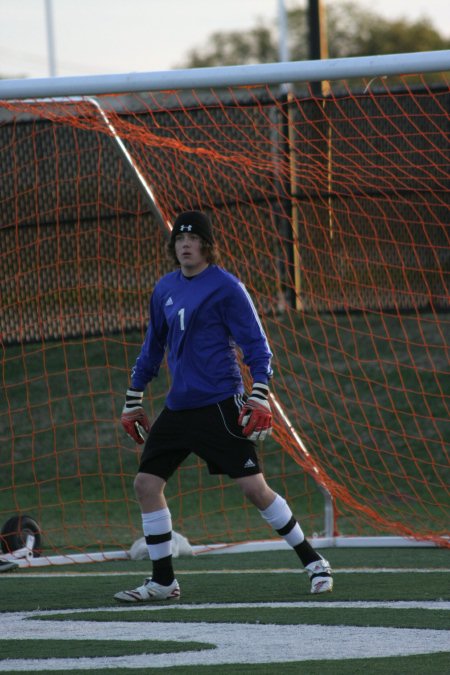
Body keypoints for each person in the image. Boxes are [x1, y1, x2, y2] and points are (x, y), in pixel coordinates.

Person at [114, 210, 333, 602]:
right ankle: (163, 582)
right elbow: (153, 348)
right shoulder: (164, 288)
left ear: (207, 245)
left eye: (193, 238)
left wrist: (259, 394)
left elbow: (258, 348)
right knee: (146, 484)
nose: (184, 244)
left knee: (254, 489)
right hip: (179, 408)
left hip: (219, 404)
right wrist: (134, 397)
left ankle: (314, 561)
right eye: (179, 239)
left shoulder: (227, 287)